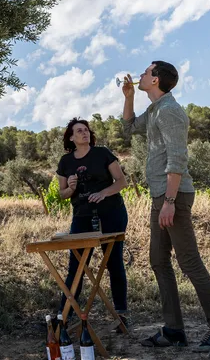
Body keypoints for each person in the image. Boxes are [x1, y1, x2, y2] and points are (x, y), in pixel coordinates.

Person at [121, 61, 210, 352]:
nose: (141, 75)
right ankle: (174, 331)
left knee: (190, 262)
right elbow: (129, 129)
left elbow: (177, 159)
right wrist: (129, 97)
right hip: (161, 196)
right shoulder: (155, 109)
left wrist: (170, 202)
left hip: (174, 197)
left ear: (156, 79)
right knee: (159, 261)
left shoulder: (171, 112)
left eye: (146, 72)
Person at [55, 117, 130, 332]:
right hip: (82, 217)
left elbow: (121, 182)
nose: (84, 133)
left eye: (86, 130)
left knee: (113, 263)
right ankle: (65, 316)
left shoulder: (103, 153)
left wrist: (102, 193)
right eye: (79, 131)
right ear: (71, 137)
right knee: (76, 266)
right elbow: (63, 194)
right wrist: (70, 188)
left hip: (111, 213)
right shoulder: (65, 162)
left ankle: (122, 316)